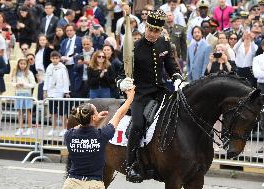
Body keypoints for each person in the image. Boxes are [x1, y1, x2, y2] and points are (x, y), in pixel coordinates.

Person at [119, 10, 181, 183]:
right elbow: (120, 74)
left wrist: (177, 77)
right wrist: (122, 83)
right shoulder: (134, 48)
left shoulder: (164, 43)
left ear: (161, 31)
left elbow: (170, 65)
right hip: (140, 94)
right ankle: (131, 165)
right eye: (150, 29)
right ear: (145, 27)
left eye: (157, 31)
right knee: (138, 124)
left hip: (160, 91)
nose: (153, 34)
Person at [62, 86, 135, 189]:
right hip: (93, 184)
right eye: (96, 111)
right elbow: (118, 115)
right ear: (94, 117)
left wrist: (92, 120)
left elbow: (79, 126)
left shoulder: (69, 135)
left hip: (72, 183)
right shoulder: (102, 135)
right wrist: (130, 99)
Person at [43, 51, 70, 137]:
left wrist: (66, 91)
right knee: (53, 112)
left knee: (62, 112)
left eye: (56, 58)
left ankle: (64, 129)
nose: (55, 60)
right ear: (51, 59)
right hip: (51, 92)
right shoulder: (49, 67)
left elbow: (65, 80)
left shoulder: (62, 67)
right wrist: (45, 90)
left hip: (60, 92)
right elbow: (46, 79)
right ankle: (53, 129)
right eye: (53, 58)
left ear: (59, 58)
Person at [12, 58, 36, 136]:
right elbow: (13, 82)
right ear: (18, 64)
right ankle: (20, 128)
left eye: (24, 64)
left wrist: (25, 85)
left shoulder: (29, 73)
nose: (22, 65)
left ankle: (30, 129)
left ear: (27, 65)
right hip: (18, 94)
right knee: (20, 112)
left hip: (27, 94)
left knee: (28, 112)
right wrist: (16, 85)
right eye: (21, 63)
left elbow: (33, 84)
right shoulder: (16, 72)